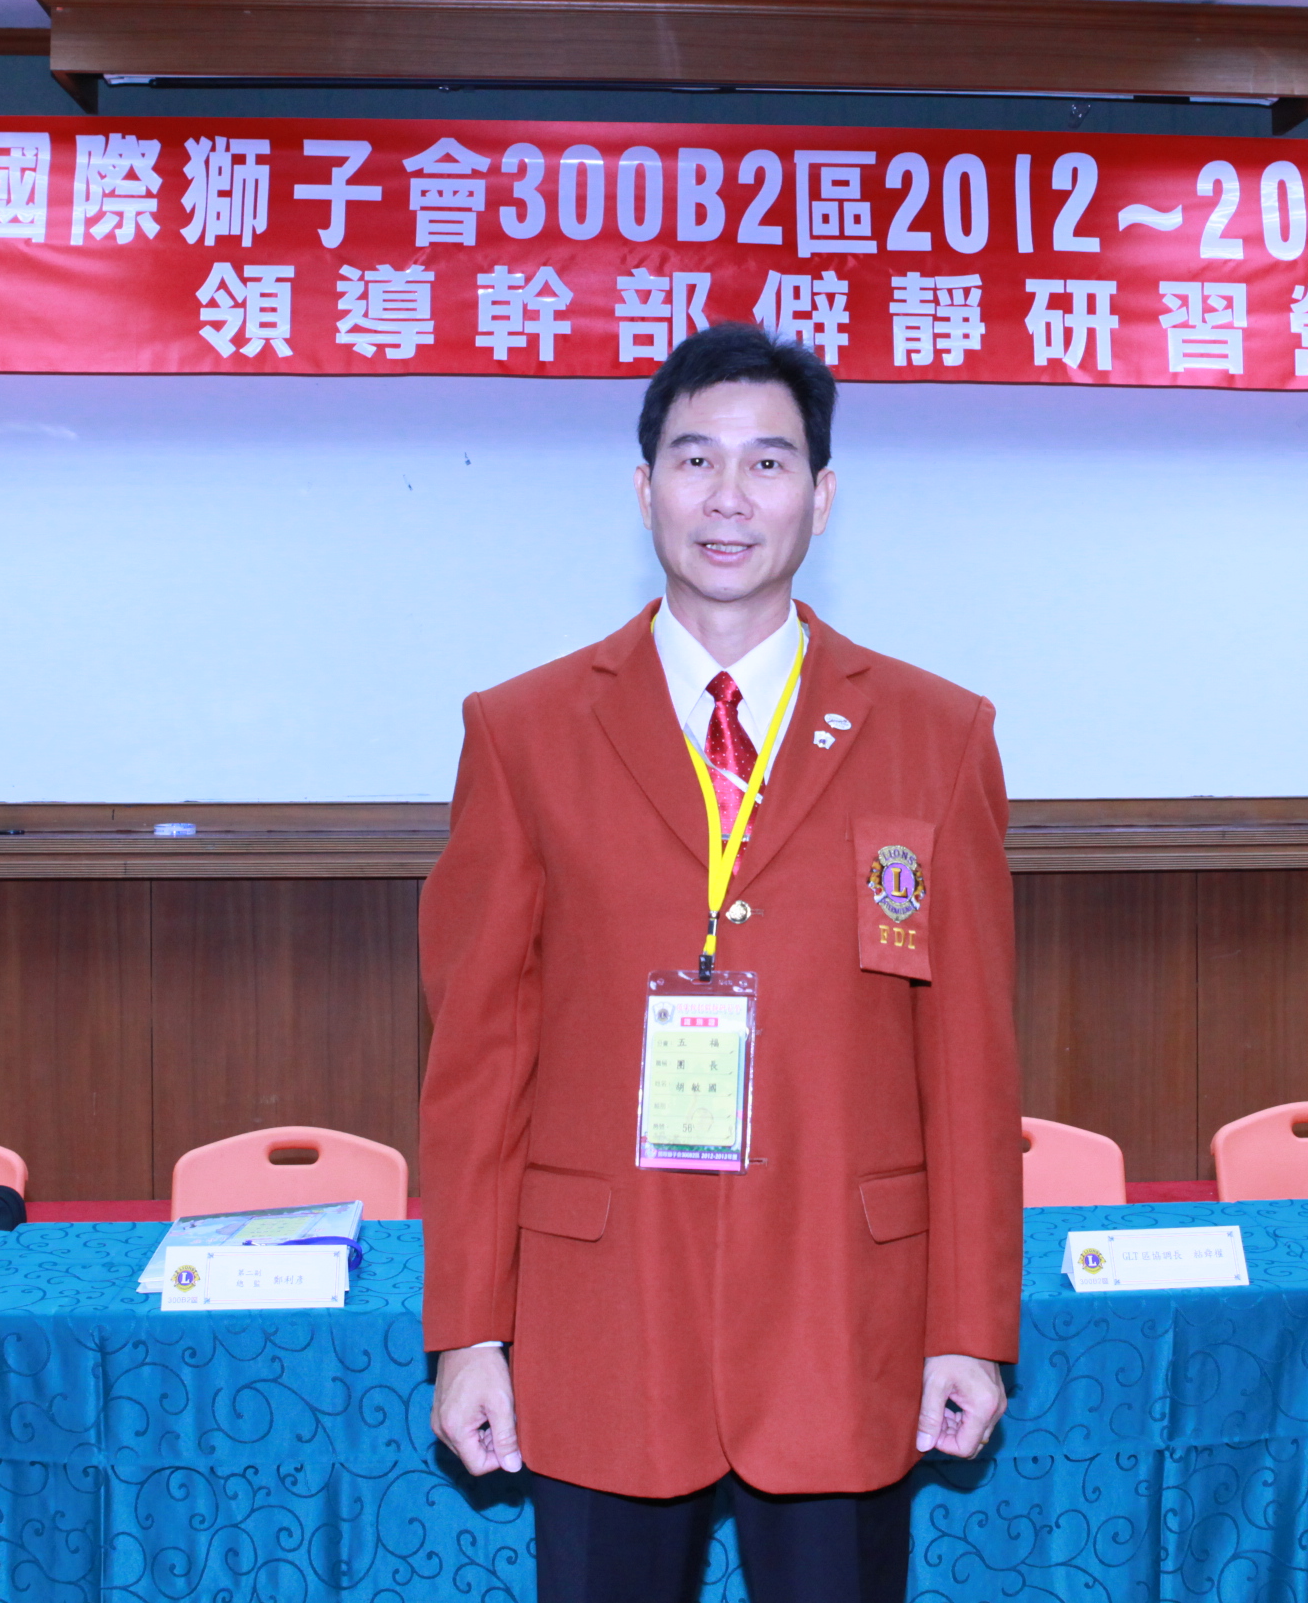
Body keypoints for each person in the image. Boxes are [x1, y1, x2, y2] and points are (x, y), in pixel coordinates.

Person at [419, 323, 1023, 1603]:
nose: (729, 498)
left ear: (823, 495)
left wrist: (969, 1328)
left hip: (841, 1320)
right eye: (696, 461)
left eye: (768, 462)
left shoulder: (938, 735)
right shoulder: (523, 732)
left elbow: (969, 1063)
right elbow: (477, 1062)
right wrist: (468, 1329)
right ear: (645, 488)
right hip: (602, 1324)